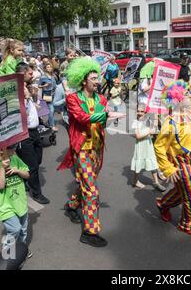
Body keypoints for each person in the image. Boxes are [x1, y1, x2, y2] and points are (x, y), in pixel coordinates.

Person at [58, 57, 124, 247]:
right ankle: (90, 231)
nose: (98, 81)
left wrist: (107, 117)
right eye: (94, 78)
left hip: (96, 148)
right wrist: (106, 114)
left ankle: (71, 206)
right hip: (82, 150)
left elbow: (101, 122)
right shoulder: (73, 99)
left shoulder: (101, 98)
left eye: (98, 78)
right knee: (92, 191)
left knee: (88, 184)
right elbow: (81, 118)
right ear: (84, 80)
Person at [154, 81, 191, 236]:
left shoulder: (189, 110)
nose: (188, 96)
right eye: (184, 95)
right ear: (177, 102)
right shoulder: (170, 124)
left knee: (182, 190)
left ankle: (163, 204)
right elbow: (159, 147)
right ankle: (188, 224)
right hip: (179, 162)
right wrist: (168, 169)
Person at [0, 145, 32, 258]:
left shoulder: (15, 159)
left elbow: (27, 175)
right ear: (2, 150)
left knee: (23, 230)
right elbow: (1, 186)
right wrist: (2, 167)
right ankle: (7, 254)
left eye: (15, 146)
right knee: (14, 229)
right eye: (11, 147)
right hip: (5, 205)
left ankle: (22, 250)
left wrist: (17, 170)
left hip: (20, 202)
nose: (14, 149)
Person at [15, 63, 50, 205]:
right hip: (24, 134)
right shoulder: (17, 91)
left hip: (35, 131)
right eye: (30, 73)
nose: (32, 75)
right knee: (33, 166)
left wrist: (32, 98)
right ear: (22, 74)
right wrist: (25, 98)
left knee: (38, 160)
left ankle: (23, 177)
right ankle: (36, 193)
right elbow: (18, 112)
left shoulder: (27, 88)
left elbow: (32, 108)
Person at [131, 103, 166, 192]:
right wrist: (149, 131)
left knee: (152, 162)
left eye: (142, 111)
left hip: (148, 144)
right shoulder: (136, 122)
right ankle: (135, 181)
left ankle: (156, 182)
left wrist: (155, 118)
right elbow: (138, 136)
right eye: (138, 111)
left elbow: (155, 130)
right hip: (140, 145)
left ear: (145, 112)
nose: (139, 113)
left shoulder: (147, 121)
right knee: (138, 163)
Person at [39, 63, 58, 131]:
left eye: (50, 67)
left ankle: (50, 122)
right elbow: (39, 86)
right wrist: (45, 86)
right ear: (45, 69)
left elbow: (55, 85)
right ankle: (52, 126)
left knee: (52, 110)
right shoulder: (43, 77)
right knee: (51, 109)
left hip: (53, 94)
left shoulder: (52, 76)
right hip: (47, 94)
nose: (49, 68)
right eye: (48, 67)